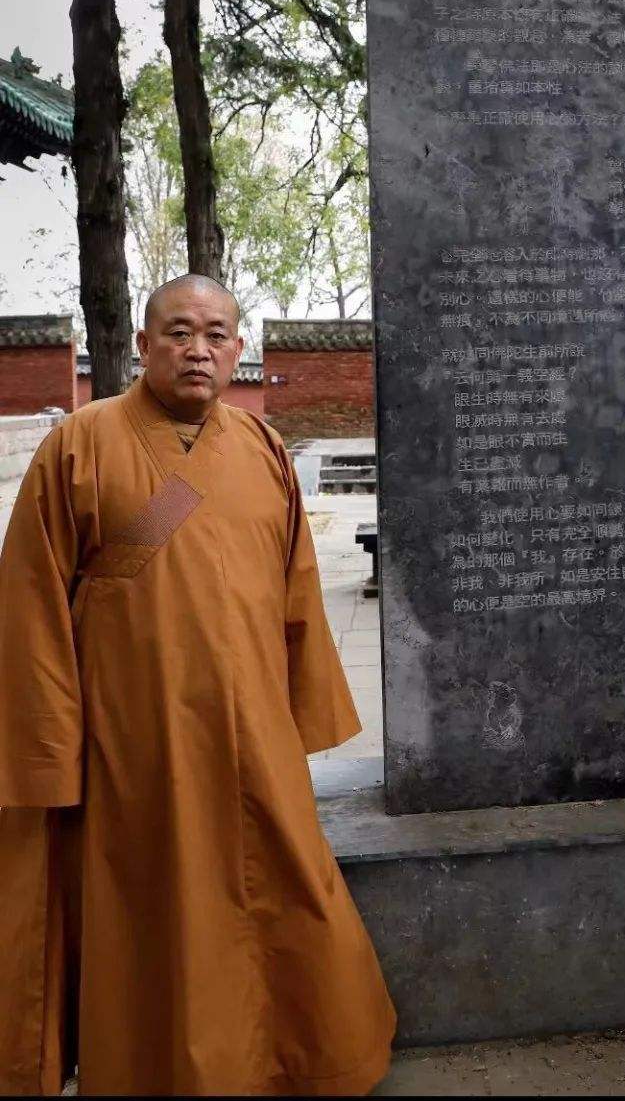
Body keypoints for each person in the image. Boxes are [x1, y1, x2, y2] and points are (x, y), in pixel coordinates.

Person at [0, 275, 395, 1096]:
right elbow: (31, 608)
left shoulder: (262, 447)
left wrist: (299, 716)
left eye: (217, 334)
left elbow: (297, 591)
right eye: (179, 333)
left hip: (252, 731)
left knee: (286, 891)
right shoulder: (78, 444)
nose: (199, 350)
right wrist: (50, 749)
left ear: (238, 349)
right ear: (144, 345)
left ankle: (300, 1058)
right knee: (156, 910)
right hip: (135, 736)